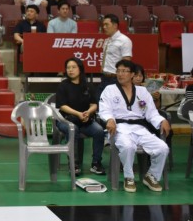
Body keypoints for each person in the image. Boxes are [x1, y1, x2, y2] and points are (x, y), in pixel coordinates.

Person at [99, 59, 170, 193]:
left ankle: (151, 176)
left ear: (132, 74)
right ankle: (129, 177)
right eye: (118, 71)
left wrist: (162, 120)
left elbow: (151, 113)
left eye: (124, 71)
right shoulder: (110, 90)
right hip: (119, 128)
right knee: (128, 146)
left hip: (140, 129)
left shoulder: (142, 91)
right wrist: (110, 119)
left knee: (162, 148)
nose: (120, 74)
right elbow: (104, 109)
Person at [56, 57, 105, 176]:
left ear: (80, 69)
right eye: (68, 68)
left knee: (99, 131)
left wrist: (88, 112)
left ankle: (96, 163)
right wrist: (78, 114)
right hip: (66, 120)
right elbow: (62, 106)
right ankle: (74, 164)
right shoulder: (63, 85)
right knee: (73, 129)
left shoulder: (88, 85)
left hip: (85, 120)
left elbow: (94, 104)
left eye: (73, 67)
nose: (70, 70)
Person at [99, 14, 133, 97]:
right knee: (102, 101)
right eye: (103, 25)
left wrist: (122, 78)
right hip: (104, 77)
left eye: (106, 24)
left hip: (116, 78)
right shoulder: (107, 40)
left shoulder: (124, 40)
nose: (104, 27)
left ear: (115, 25)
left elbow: (126, 62)